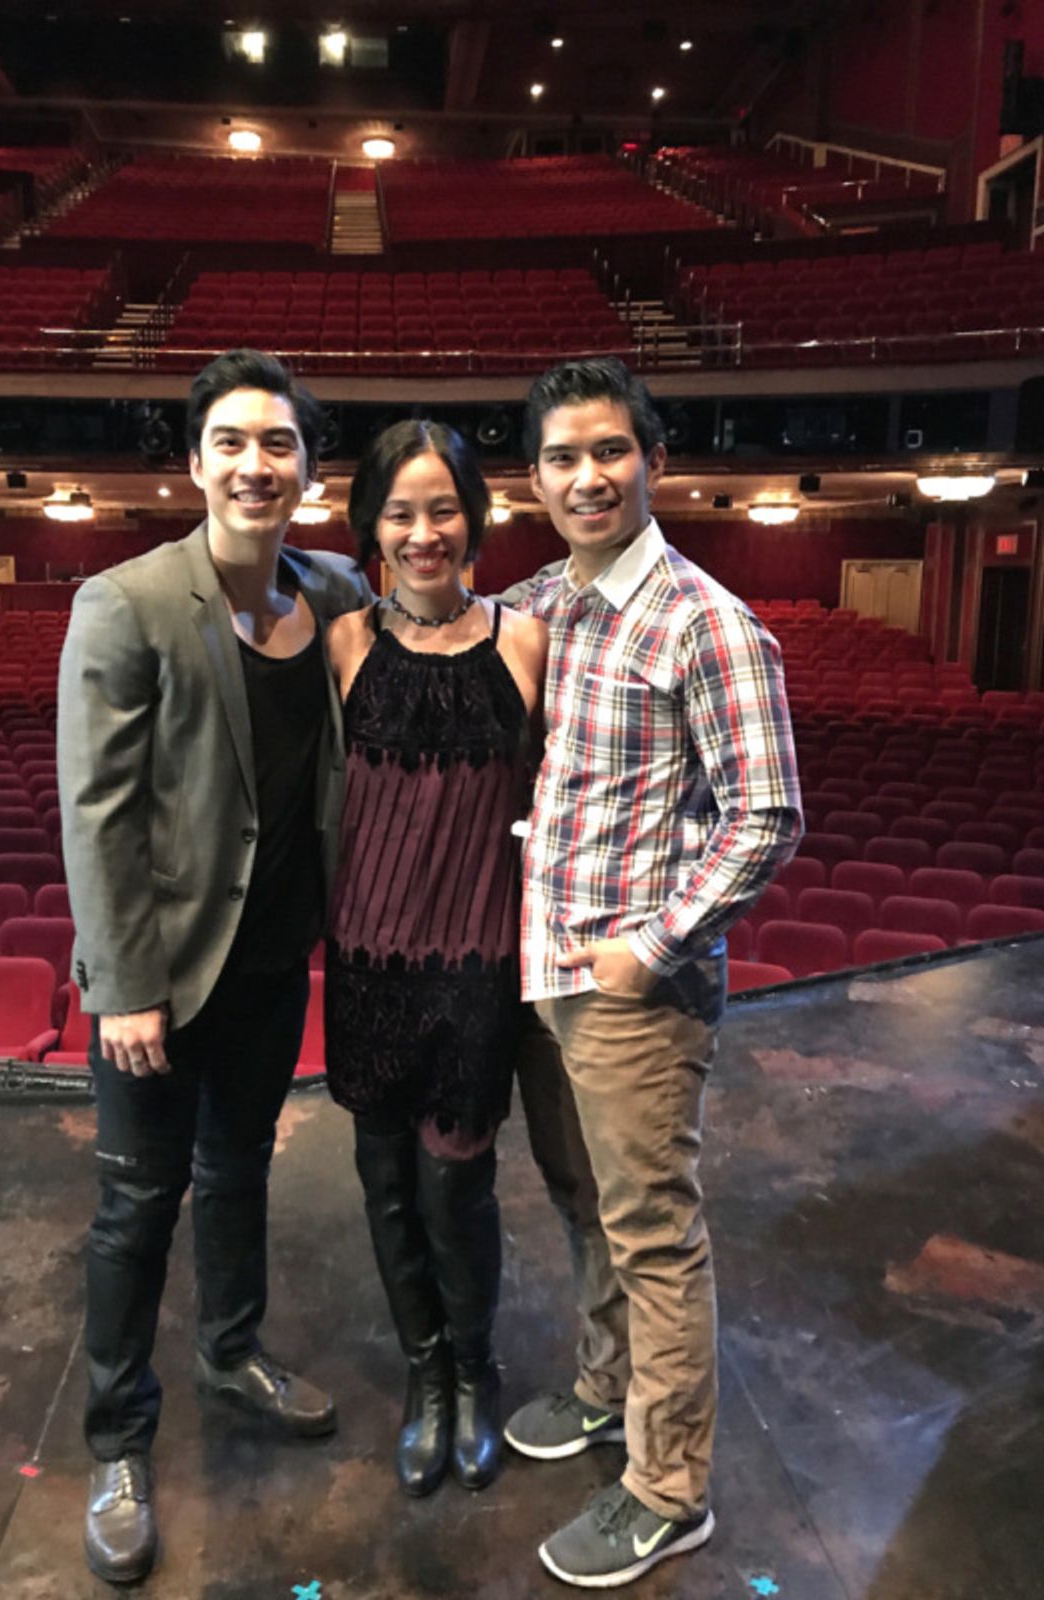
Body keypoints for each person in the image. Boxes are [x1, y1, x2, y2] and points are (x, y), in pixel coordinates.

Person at [57, 348, 371, 1586]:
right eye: (231, 441)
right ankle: (118, 1440)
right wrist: (121, 982)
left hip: (272, 963)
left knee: (237, 1171)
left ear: (308, 466)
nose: (256, 462)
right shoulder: (125, 601)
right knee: (137, 1207)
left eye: (279, 443)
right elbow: (100, 811)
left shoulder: (338, 589)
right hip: (163, 972)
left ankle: (231, 1348)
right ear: (195, 464)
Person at [502, 357, 803, 1587]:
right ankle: (603, 1386)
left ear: (654, 461)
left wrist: (655, 942)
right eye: (563, 456)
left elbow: (768, 814)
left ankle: (670, 1489)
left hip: (634, 989)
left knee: (653, 1235)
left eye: (611, 450)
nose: (588, 475)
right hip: (543, 970)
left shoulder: (705, 621)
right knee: (584, 1209)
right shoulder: (541, 604)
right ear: (535, 478)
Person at [323, 420, 548, 1498]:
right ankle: (423, 1374)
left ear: (475, 520)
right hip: (367, 959)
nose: (422, 532)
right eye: (401, 513)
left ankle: (474, 1370)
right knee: (384, 1186)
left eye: (441, 508)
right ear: (371, 526)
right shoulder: (345, 646)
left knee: (455, 1184)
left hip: (474, 962)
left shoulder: (524, 641)